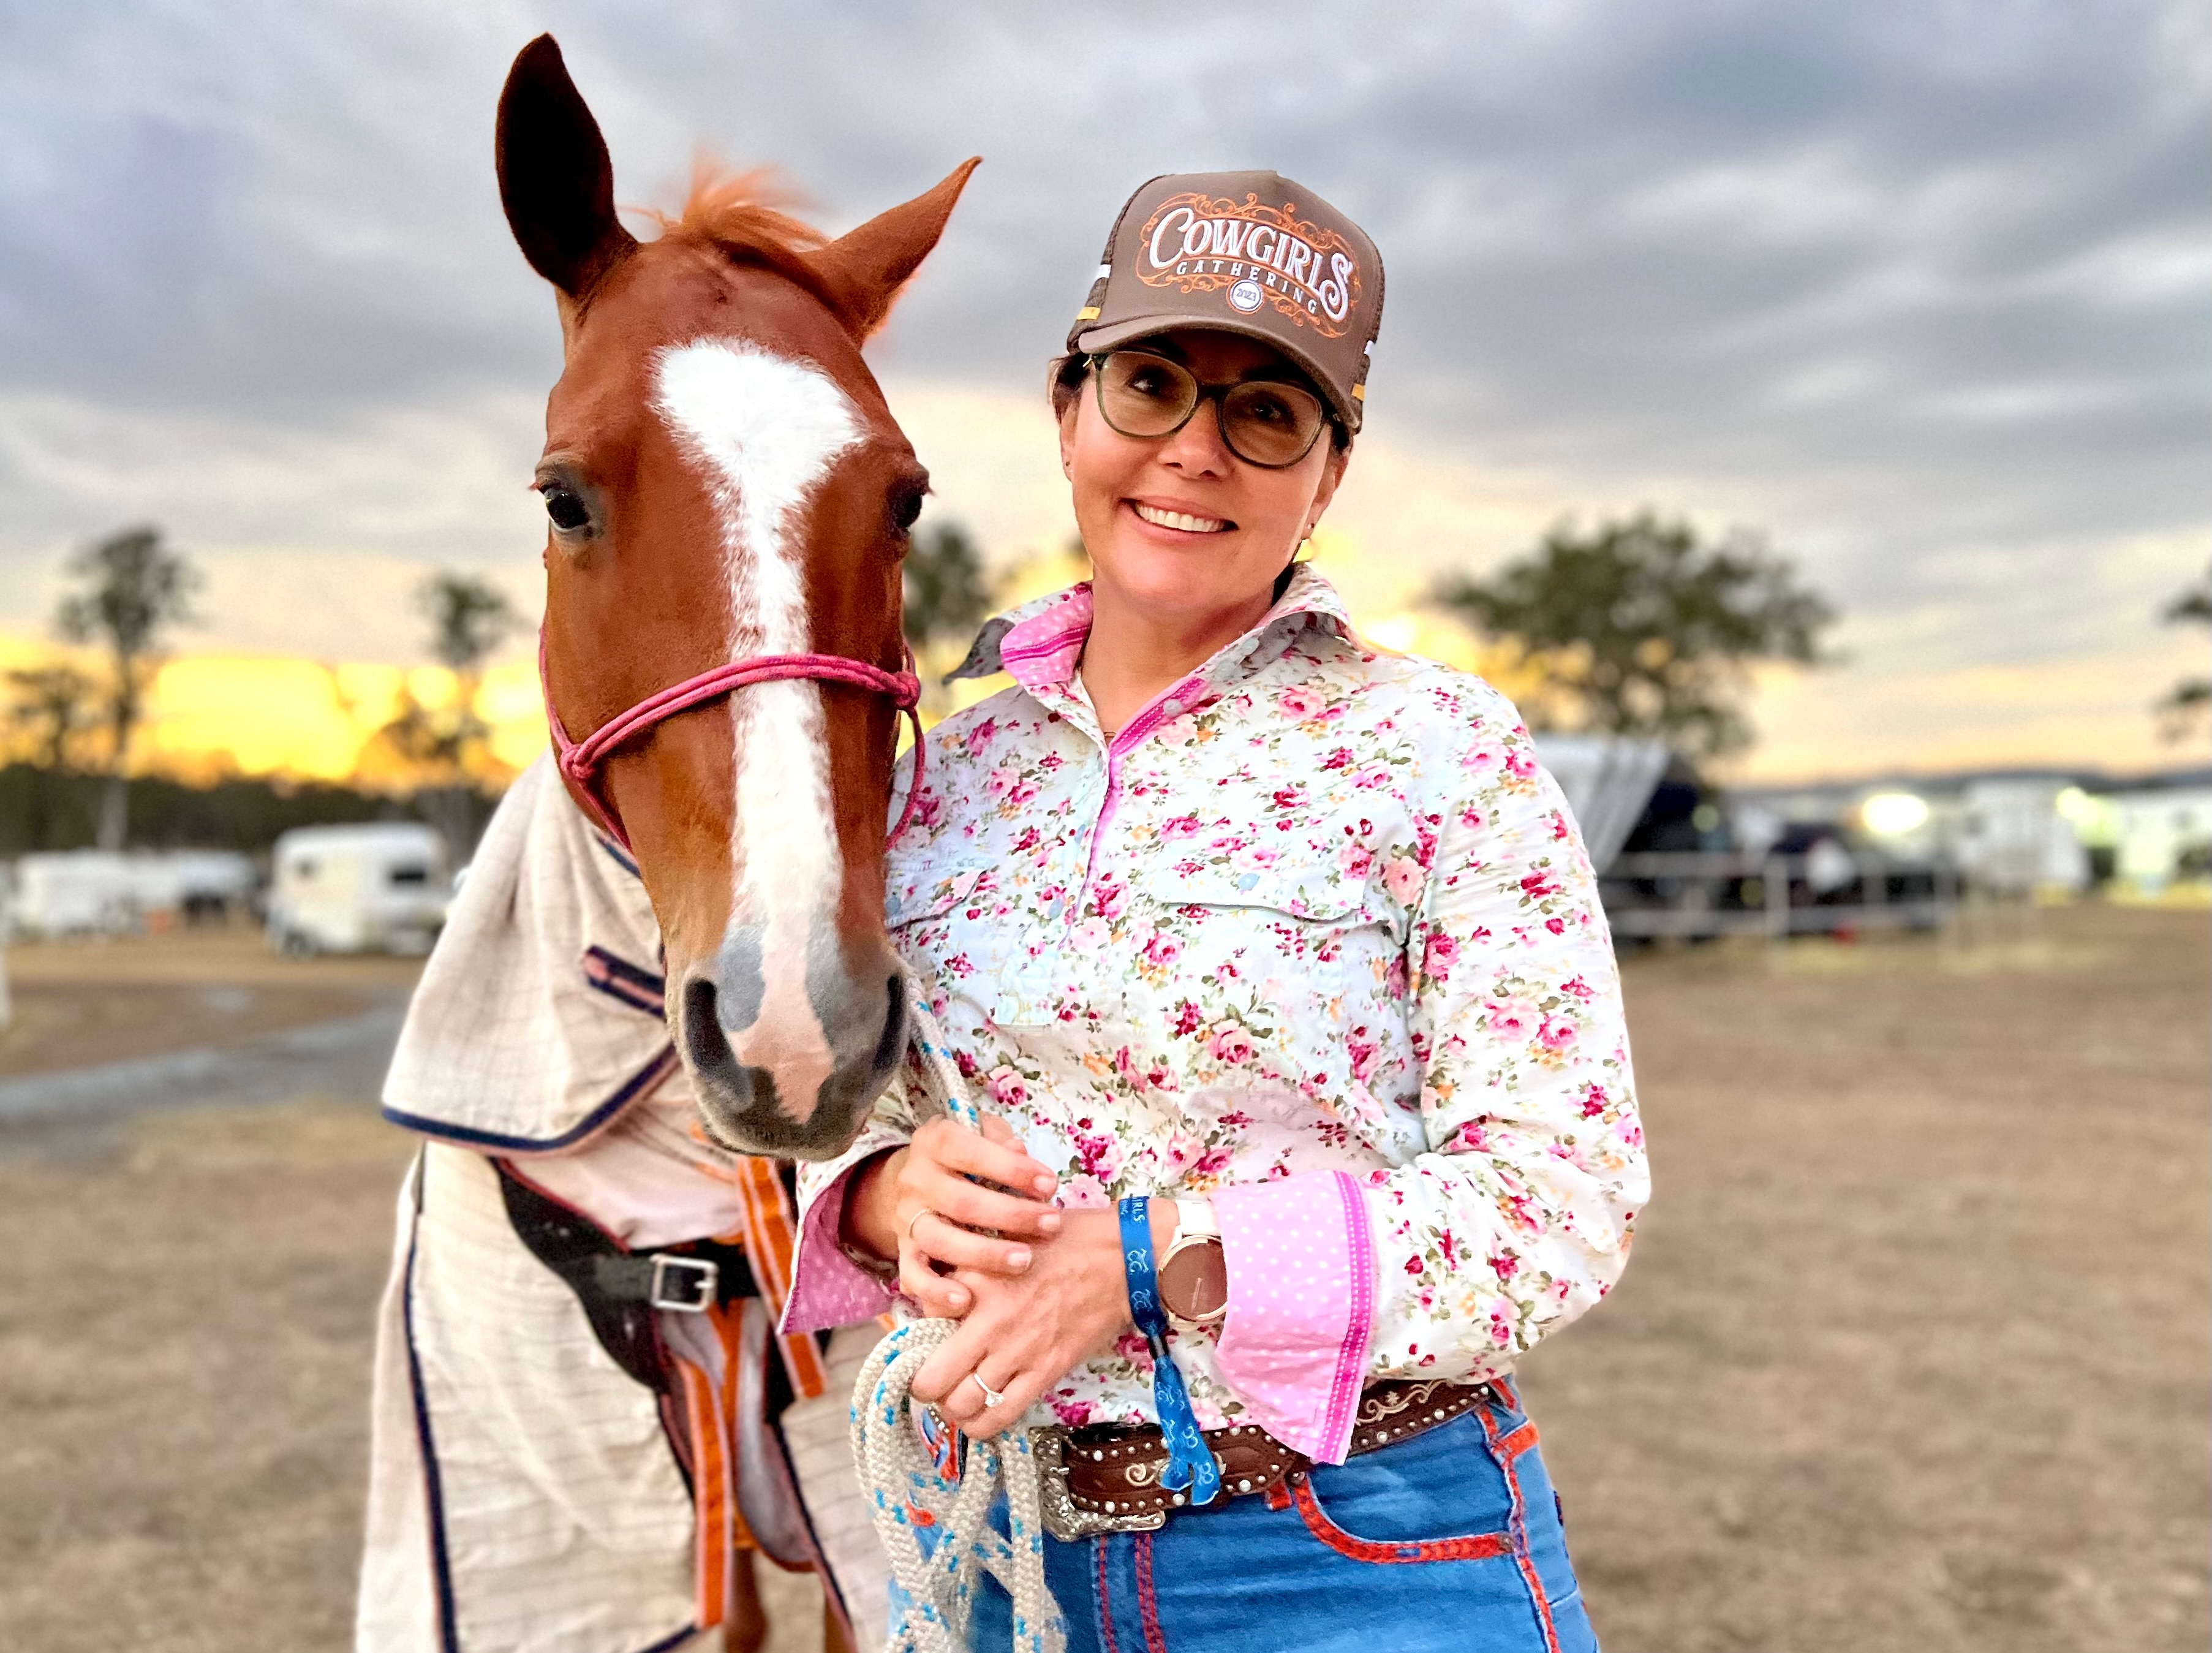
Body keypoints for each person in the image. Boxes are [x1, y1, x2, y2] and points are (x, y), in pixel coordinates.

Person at [783, 172, 1648, 1653]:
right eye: (1151, 384)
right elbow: (817, 1109)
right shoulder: (932, 775)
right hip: (995, 1562)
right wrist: (876, 1195)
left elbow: (1558, 1204)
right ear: (1069, 409)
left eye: (1266, 413)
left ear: (1330, 474)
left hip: (1357, 1557)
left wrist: (1148, 1260)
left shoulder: (1436, 747)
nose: (1194, 447)